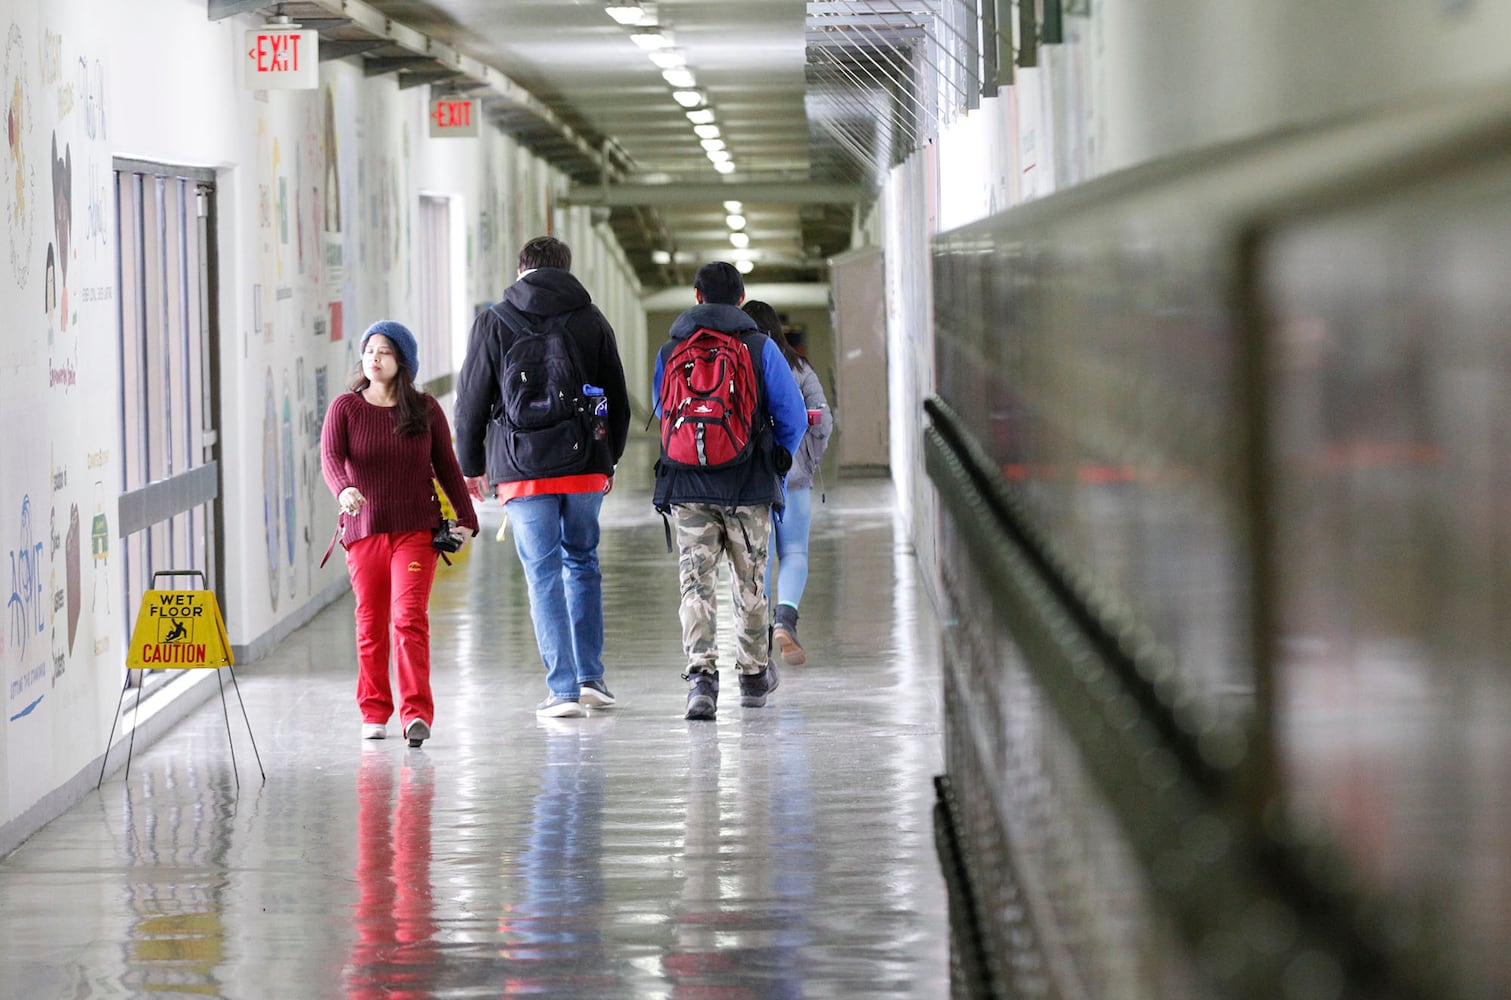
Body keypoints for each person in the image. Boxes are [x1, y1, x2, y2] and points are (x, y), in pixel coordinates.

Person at [453, 236, 630, 719]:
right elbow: (618, 395)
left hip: (521, 466)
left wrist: (471, 467)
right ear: (566, 268)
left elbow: (470, 401)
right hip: (584, 464)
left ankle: (563, 689)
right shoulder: (590, 318)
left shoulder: (494, 320)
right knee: (583, 562)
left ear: (520, 269)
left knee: (543, 573)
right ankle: (592, 676)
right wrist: (606, 457)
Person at [653, 262, 807, 721]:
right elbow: (794, 417)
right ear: (742, 299)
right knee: (750, 582)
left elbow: (665, 412)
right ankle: (754, 676)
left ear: (696, 297)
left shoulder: (671, 348)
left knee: (695, 583)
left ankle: (700, 680)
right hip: (747, 486)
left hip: (687, 485)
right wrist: (776, 461)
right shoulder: (759, 346)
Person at [321, 320, 479, 746]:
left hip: (415, 529)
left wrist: (467, 518)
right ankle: (374, 710)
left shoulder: (425, 409)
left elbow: (447, 465)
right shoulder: (345, 408)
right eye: (369, 349)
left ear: (402, 362)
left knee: (409, 618)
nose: (374, 357)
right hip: (365, 530)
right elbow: (331, 458)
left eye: (385, 351)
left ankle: (416, 714)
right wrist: (345, 489)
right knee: (371, 622)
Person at [741, 301, 833, 665]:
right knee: (794, 552)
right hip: (794, 476)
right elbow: (823, 420)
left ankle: (758, 634)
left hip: (751, 479)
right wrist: (810, 458)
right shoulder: (798, 366)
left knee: (756, 558)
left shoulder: (738, 362)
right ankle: (786, 620)